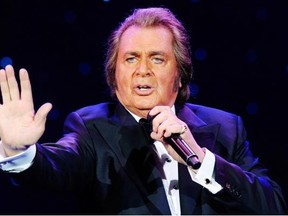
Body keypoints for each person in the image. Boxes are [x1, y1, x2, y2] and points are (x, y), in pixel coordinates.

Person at [0, 7, 286, 215]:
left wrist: (200, 160)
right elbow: (59, 165)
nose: (143, 70)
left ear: (180, 74)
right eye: (131, 58)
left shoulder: (225, 127)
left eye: (157, 59)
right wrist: (18, 152)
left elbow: (273, 207)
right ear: (114, 74)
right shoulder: (91, 126)